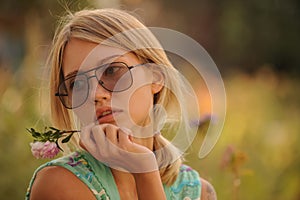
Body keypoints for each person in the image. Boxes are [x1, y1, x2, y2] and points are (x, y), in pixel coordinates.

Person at [26, 8, 217, 200]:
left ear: (156, 76)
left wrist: (145, 171)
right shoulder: (59, 185)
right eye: (78, 83)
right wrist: (145, 171)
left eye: (112, 71)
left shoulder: (197, 193)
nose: (96, 94)